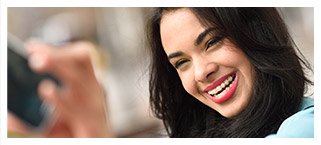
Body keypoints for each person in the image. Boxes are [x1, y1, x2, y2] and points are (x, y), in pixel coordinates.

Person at [8, 7, 313, 138]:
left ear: (255, 33)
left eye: (213, 41)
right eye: (181, 62)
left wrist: (95, 133)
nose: (201, 72)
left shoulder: (306, 128)